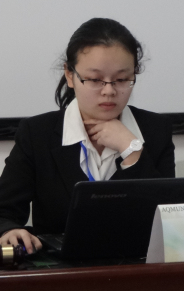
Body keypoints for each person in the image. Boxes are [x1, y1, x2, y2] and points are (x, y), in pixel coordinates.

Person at [0, 18, 175, 254]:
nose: (109, 91)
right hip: (61, 268)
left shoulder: (156, 130)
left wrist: (131, 149)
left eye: (122, 79)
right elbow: (4, 212)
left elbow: (169, 217)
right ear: (69, 75)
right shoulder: (37, 133)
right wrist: (9, 230)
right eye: (94, 79)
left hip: (136, 264)